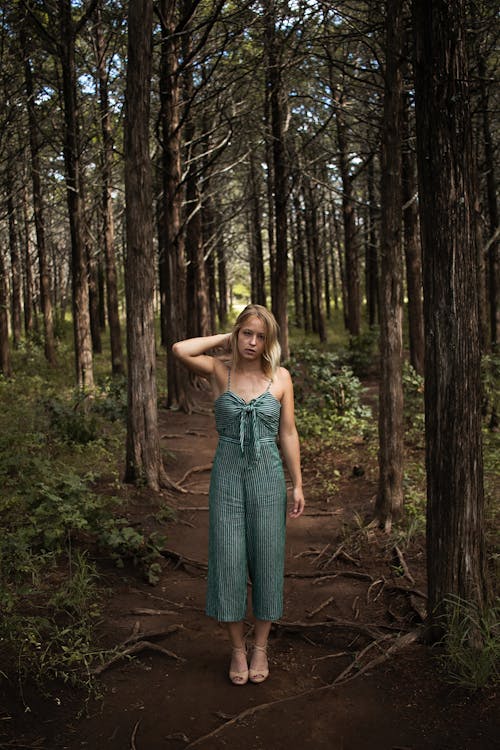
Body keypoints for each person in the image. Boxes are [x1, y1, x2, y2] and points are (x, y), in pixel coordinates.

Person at [172, 304, 305, 685]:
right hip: (227, 474)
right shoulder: (219, 371)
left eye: (260, 336)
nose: (252, 341)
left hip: (268, 475)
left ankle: (260, 646)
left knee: (266, 558)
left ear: (270, 341)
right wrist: (225, 339)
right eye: (246, 333)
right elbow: (181, 349)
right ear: (237, 334)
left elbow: (288, 433)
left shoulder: (279, 378)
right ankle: (236, 649)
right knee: (228, 561)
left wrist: (297, 483)